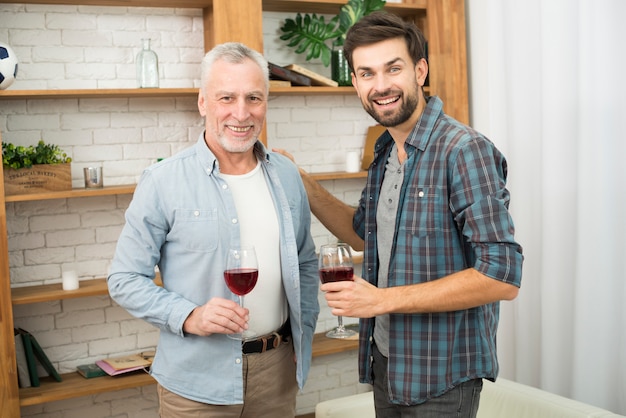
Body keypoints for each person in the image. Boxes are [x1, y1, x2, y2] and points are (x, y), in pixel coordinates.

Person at [275, 11, 523, 418]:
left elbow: (501, 276)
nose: (381, 85)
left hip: (442, 376)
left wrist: (382, 300)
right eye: (367, 73)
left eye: (394, 69)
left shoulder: (463, 151)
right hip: (386, 364)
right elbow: (362, 236)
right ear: (355, 82)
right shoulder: (386, 151)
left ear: (420, 70)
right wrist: (302, 182)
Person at [107, 42, 319, 418]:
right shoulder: (162, 181)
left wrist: (302, 338)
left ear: (266, 102)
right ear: (203, 102)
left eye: (254, 97)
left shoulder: (286, 175)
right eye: (227, 97)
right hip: (195, 385)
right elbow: (124, 278)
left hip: (277, 374)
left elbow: (304, 261)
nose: (241, 112)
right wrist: (189, 316)